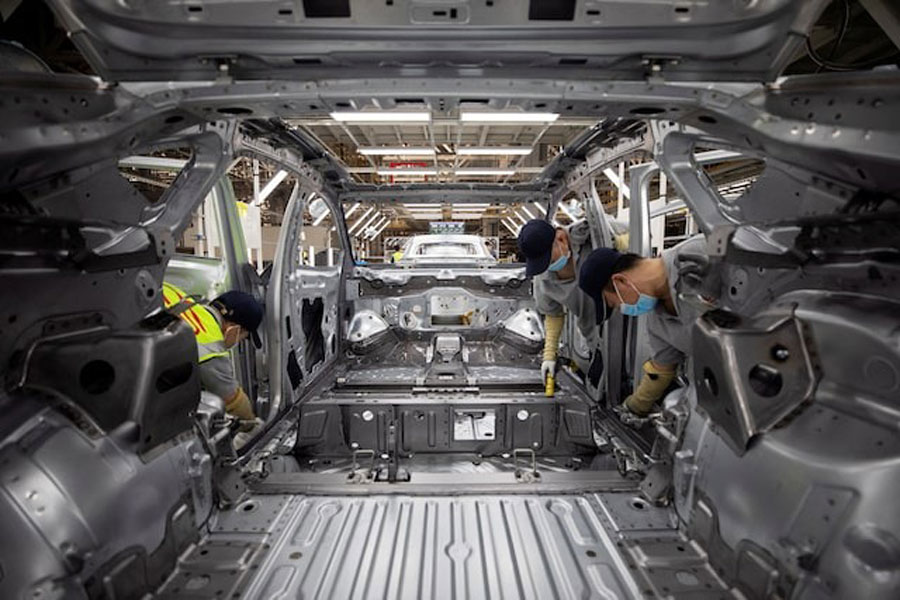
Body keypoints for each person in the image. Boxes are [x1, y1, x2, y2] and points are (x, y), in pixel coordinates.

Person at [578, 236, 713, 417]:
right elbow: (661, 371)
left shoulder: (700, 253)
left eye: (616, 304)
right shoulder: (657, 322)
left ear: (620, 282)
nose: (624, 310)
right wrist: (634, 407)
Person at [162, 282, 262, 423]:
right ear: (234, 329)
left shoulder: (184, 300)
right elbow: (232, 399)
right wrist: (251, 425)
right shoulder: (212, 346)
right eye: (242, 338)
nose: (238, 342)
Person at [517, 219, 597, 387]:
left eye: (549, 259)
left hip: (631, 327)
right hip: (596, 338)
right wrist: (549, 355)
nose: (547, 266)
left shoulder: (593, 234)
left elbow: (639, 235)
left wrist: (622, 243)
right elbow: (553, 315)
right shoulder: (544, 277)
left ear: (560, 238)